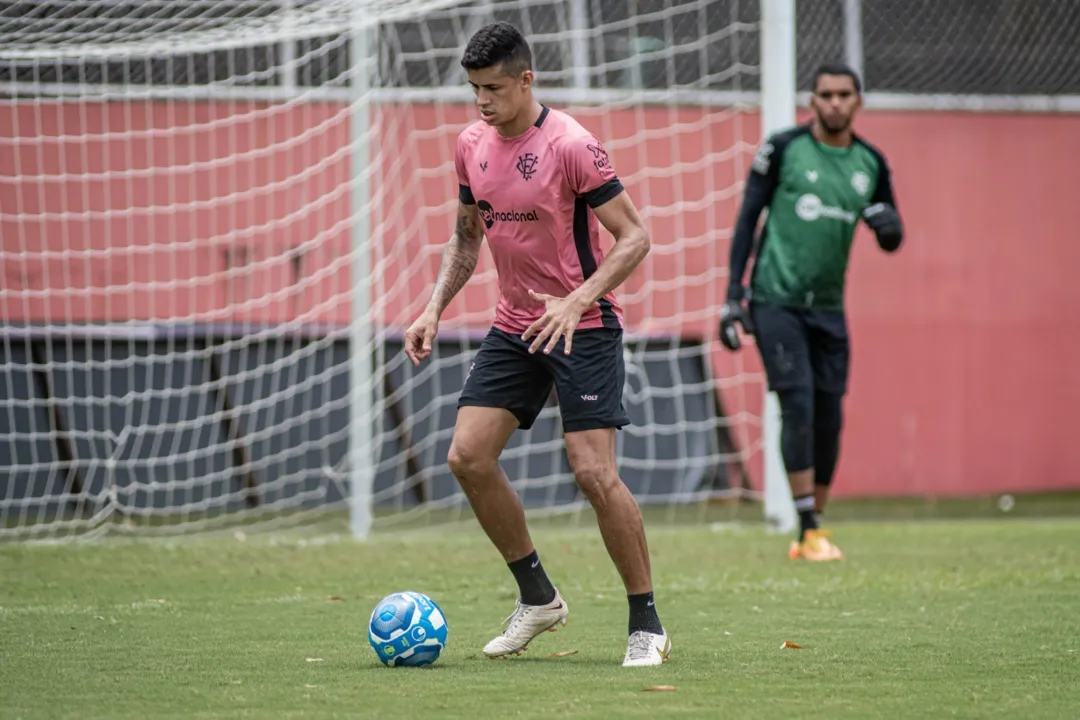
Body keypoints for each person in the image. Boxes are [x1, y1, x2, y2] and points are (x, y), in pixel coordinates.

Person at [404, 21, 671, 667]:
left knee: (592, 470)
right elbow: (467, 237)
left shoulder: (572, 145)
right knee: (467, 457)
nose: (482, 102)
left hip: (583, 321)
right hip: (514, 324)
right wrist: (432, 307)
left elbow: (634, 237)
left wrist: (578, 298)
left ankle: (646, 623)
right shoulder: (470, 144)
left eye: (494, 88)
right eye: (473, 89)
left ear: (527, 80)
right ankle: (539, 599)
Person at [719, 63, 904, 561]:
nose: (835, 103)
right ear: (813, 101)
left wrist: (888, 227)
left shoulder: (872, 163)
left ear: (858, 101)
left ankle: (813, 529)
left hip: (828, 308)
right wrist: (733, 295)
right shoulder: (783, 150)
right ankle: (807, 526)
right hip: (775, 300)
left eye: (845, 94)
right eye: (826, 94)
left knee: (829, 417)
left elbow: (892, 235)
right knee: (797, 404)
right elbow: (746, 221)